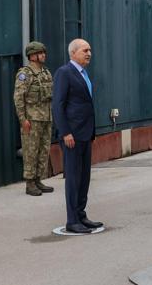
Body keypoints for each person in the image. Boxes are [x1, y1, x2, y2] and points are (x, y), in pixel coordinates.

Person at [52, 38, 103, 234]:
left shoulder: (84, 73)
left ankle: (81, 215)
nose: (89, 53)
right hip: (71, 135)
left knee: (84, 177)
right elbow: (58, 105)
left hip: (85, 134)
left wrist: (91, 131)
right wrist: (65, 132)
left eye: (90, 50)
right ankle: (72, 220)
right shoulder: (64, 73)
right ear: (73, 53)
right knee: (73, 178)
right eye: (84, 50)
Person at [13, 41, 55, 196]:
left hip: (46, 118)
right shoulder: (25, 74)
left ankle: (38, 179)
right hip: (32, 119)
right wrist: (23, 120)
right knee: (31, 151)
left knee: (43, 150)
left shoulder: (46, 72)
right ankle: (30, 183)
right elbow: (18, 98)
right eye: (40, 53)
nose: (43, 55)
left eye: (43, 52)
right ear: (32, 56)